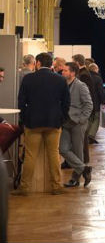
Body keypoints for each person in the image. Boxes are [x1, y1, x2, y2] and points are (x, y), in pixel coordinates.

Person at [14, 52, 70, 196]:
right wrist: (61, 118)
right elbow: (66, 103)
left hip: (33, 122)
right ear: (51, 64)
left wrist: (25, 117)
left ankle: (24, 188)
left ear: (38, 63)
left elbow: (21, 102)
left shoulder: (28, 79)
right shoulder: (60, 80)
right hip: (53, 122)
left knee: (31, 155)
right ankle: (57, 186)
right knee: (54, 154)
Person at [60, 62, 93, 188]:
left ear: (73, 73)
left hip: (78, 123)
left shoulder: (80, 85)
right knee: (62, 149)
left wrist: (82, 119)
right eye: (62, 71)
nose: (62, 73)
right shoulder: (62, 85)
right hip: (65, 122)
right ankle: (84, 169)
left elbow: (89, 104)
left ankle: (75, 179)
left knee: (78, 151)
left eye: (65, 71)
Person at [72, 54, 96, 164]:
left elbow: (86, 95)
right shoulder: (83, 73)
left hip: (81, 111)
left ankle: (82, 161)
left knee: (82, 138)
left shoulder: (84, 75)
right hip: (81, 111)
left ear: (77, 63)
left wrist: (83, 116)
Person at [87, 63, 105, 144]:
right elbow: (100, 91)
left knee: (89, 118)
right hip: (95, 102)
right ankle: (91, 135)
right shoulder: (98, 78)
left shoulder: (86, 77)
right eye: (97, 69)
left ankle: (86, 134)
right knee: (96, 118)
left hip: (87, 102)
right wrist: (103, 101)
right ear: (95, 69)